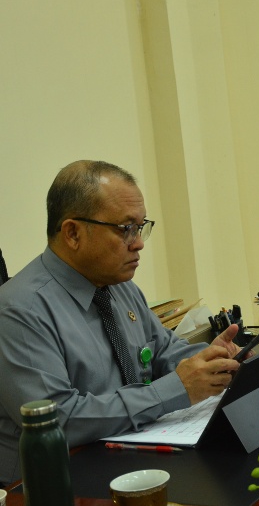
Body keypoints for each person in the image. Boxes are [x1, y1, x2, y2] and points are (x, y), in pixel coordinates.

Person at [0, 160, 242, 485]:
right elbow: (58, 421)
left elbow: (164, 351)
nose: (138, 242)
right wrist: (177, 389)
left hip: (129, 459)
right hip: (55, 486)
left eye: (141, 227)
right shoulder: (19, 309)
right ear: (72, 233)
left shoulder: (119, 287)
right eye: (125, 228)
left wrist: (216, 361)